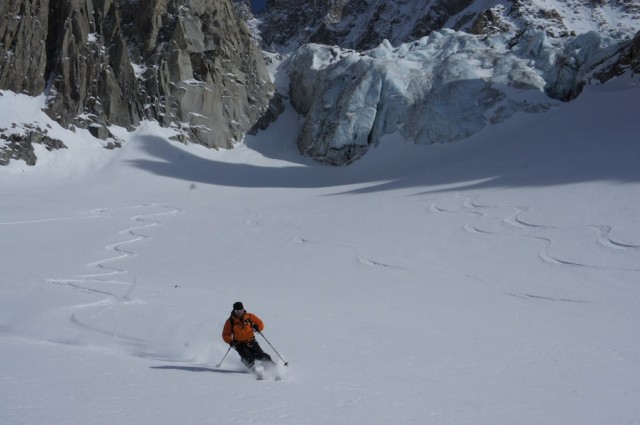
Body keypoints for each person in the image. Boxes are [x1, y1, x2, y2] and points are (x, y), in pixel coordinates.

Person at [222, 301, 274, 369]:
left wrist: (257, 327)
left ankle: (273, 368)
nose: (240, 313)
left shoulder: (249, 316)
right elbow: (225, 334)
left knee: (262, 356)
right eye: (238, 311)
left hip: (251, 341)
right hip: (239, 344)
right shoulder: (230, 321)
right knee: (248, 358)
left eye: (241, 311)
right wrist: (231, 341)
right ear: (234, 311)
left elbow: (260, 323)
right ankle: (255, 371)